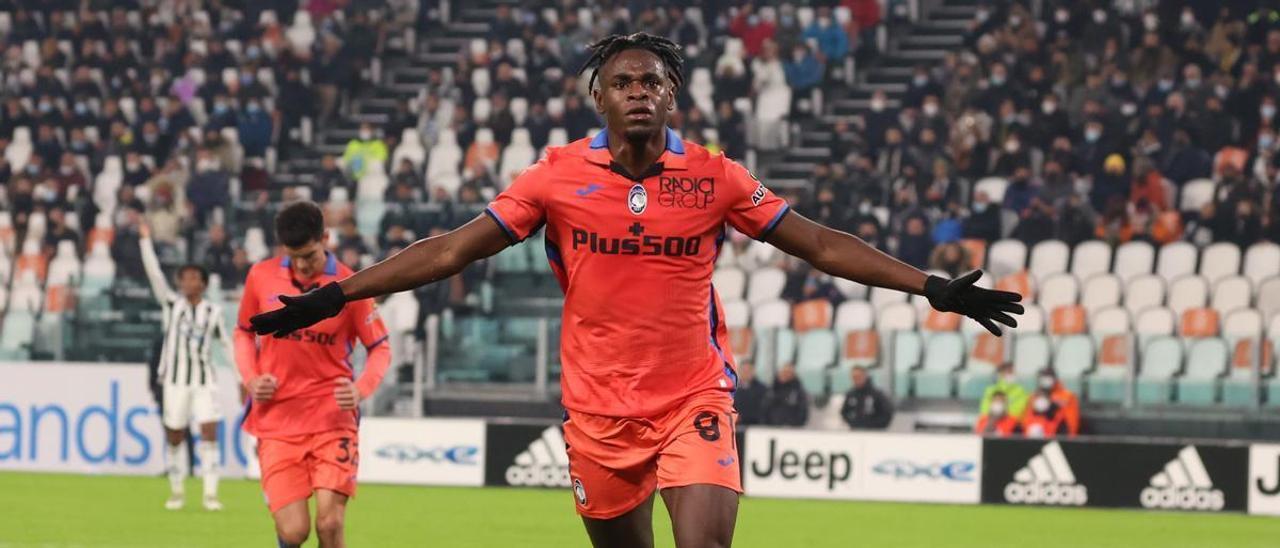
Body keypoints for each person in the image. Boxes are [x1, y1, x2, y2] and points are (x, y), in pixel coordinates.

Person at [248, 33, 1021, 548]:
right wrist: (337, 293)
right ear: (601, 99)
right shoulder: (555, 176)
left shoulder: (717, 176)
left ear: (672, 95)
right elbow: (452, 249)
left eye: (652, 80)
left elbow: (818, 242)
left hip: (694, 398)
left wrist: (933, 288)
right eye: (623, 82)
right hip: (598, 413)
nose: (639, 91)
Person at [234, 202, 393, 547]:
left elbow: (380, 346)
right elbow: (243, 333)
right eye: (294, 256)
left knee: (330, 523)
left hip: (331, 418)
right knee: (294, 531)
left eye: (309, 254)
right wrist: (250, 378)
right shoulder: (261, 277)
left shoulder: (350, 285)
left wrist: (361, 388)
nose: (303, 264)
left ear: (326, 238)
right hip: (277, 420)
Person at [139, 223, 235, 512]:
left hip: (205, 381)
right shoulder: (171, 305)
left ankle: (210, 494)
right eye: (183, 278)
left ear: (203, 284)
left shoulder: (213, 313)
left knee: (209, 433)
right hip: (175, 381)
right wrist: (146, 242)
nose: (187, 282)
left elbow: (227, 346)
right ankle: (177, 491)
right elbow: (155, 275)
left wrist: (243, 376)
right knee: (175, 435)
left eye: (193, 277)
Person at [1036, 368, 1080, 436]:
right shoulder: (1035, 397)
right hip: (1038, 436)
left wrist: (1053, 405)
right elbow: (1029, 419)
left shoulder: (1068, 396)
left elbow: (1071, 422)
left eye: (1048, 377)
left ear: (1055, 378)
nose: (1045, 381)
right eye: (1043, 378)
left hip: (1060, 436)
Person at [732, 361, 767, 426]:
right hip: (735, 425)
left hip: (755, 425)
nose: (746, 373)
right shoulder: (731, 388)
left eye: (749, 370)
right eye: (744, 370)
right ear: (739, 371)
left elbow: (763, 409)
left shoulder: (762, 389)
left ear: (753, 371)